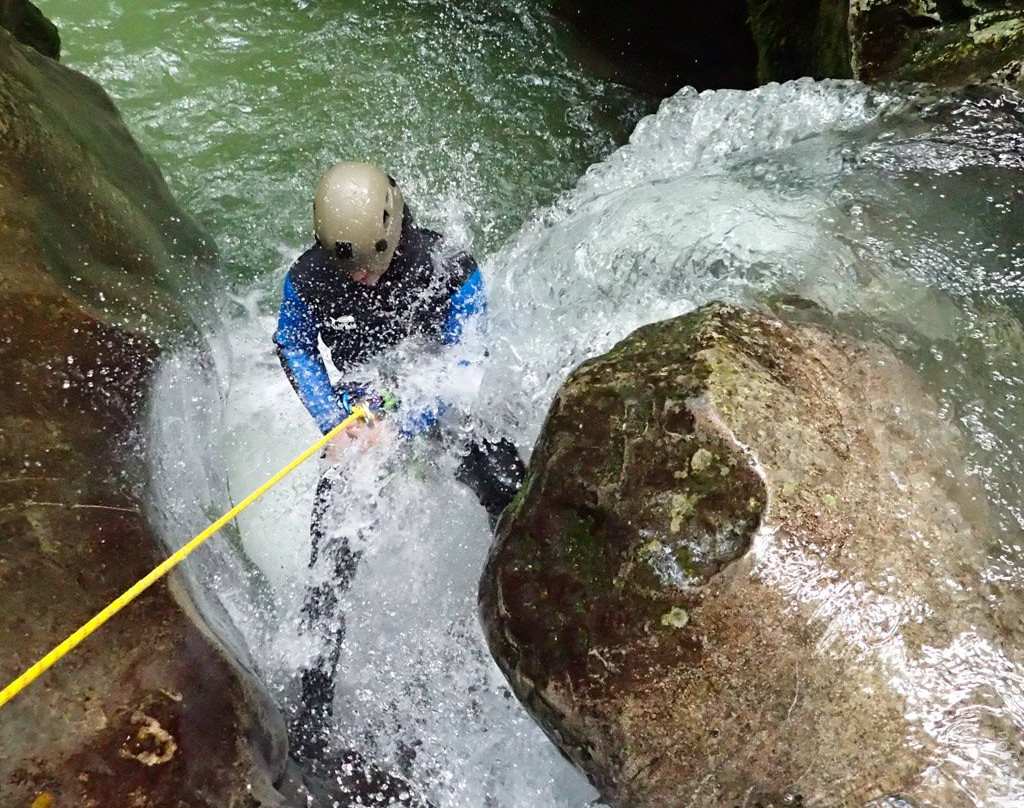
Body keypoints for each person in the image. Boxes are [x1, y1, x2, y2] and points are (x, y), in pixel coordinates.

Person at [274, 161, 525, 760]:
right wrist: (333, 422)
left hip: (440, 413)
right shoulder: (310, 277)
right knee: (329, 566)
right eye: (348, 267)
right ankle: (310, 724)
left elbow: (465, 369)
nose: (359, 279)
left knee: (513, 493)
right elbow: (293, 344)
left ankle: (537, 632)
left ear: (395, 228)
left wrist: (405, 422)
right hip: (362, 420)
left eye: (370, 263)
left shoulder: (448, 267)